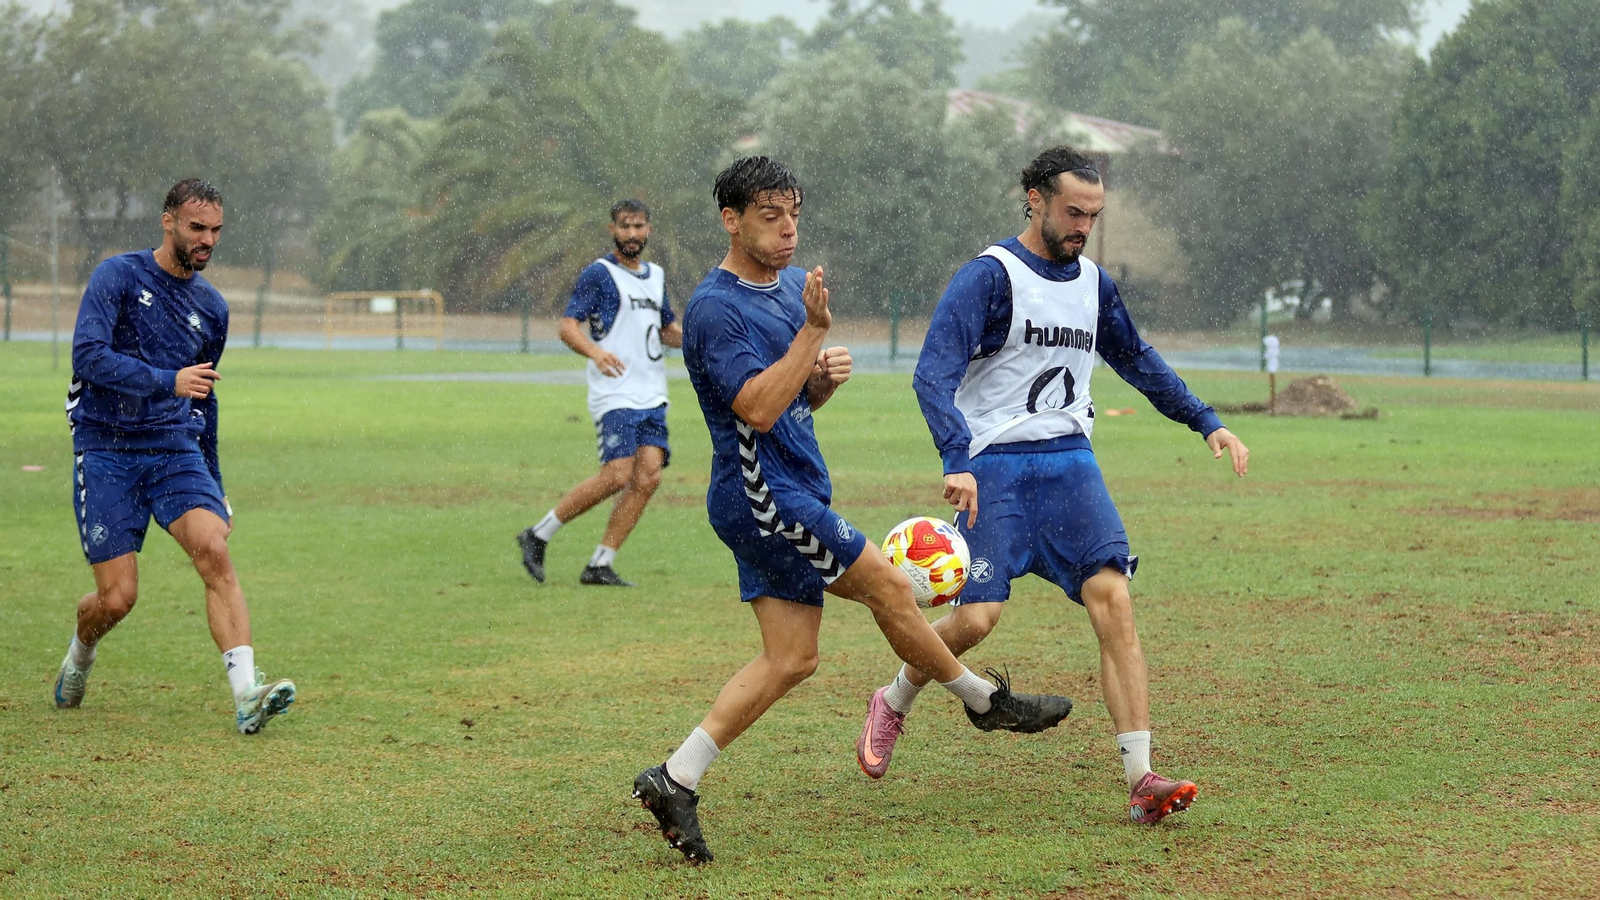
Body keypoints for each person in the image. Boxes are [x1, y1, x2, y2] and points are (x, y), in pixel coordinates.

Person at [630, 156, 1074, 864]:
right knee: (891, 588)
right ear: (732, 219)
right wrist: (812, 338)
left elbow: (792, 404)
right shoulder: (716, 307)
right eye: (770, 217)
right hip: (763, 496)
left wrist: (821, 381)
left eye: (794, 215)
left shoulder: (782, 295)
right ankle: (983, 703)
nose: (786, 230)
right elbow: (755, 408)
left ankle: (675, 776)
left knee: (791, 659)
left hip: (785, 489)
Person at [852, 145, 1251, 825]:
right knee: (977, 618)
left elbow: (1137, 359)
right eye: (1073, 211)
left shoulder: (1094, 283)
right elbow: (932, 374)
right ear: (1033, 199)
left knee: (1114, 603)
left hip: (1070, 466)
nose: (1083, 226)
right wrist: (956, 456)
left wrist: (1204, 420)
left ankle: (1142, 779)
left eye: (1094, 214)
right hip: (995, 470)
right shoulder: (989, 276)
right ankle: (893, 700)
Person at [54, 178, 296, 735]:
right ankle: (80, 654)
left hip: (172, 448)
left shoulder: (212, 308)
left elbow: (203, 396)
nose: (207, 239)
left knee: (214, 550)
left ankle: (247, 696)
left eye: (215, 230)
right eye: (197, 228)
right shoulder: (117, 276)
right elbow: (88, 356)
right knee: (117, 599)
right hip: (106, 447)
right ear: (168, 222)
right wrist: (168, 379)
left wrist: (215, 478)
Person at [517, 199, 682, 587]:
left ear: (649, 230)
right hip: (616, 393)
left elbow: (666, 328)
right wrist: (595, 351)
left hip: (652, 393)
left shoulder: (656, 276)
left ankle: (600, 564)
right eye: (624, 226)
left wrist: (701, 340)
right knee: (617, 474)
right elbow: (568, 326)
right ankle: (539, 533)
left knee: (648, 478)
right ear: (612, 229)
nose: (632, 234)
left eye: (639, 226)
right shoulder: (599, 274)